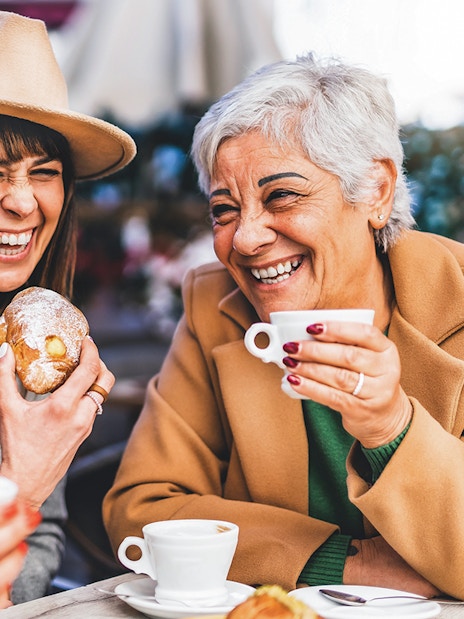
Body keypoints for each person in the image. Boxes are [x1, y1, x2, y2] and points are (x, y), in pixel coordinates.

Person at [103, 53, 464, 600]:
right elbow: (142, 512)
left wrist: (390, 427)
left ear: (376, 191)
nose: (244, 239)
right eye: (224, 209)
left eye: (283, 195)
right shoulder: (214, 306)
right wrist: (342, 561)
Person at [0, 11, 136, 604]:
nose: (23, 201)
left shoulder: (30, 340)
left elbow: (49, 531)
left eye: (44, 172)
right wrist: (20, 486)